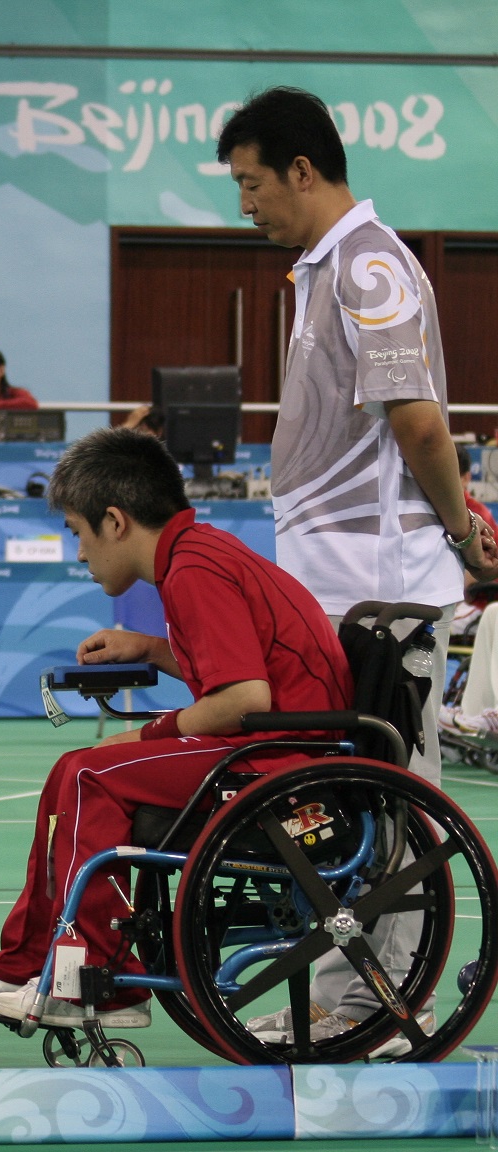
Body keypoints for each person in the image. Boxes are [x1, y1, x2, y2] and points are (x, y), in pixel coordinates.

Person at [217, 85, 498, 1045]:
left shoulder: (372, 269)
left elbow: (420, 423)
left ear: (304, 170)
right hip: (333, 582)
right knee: (346, 800)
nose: (244, 204)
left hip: (377, 589)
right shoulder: (324, 271)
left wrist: (464, 537)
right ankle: (359, 990)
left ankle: (382, 998)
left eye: (253, 183)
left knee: (391, 803)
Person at [0, 427, 352, 1031]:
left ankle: (96, 981)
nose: (78, 553)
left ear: (116, 522)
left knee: (88, 774)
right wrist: (151, 649)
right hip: (276, 746)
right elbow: (240, 670)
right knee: (76, 769)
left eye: (78, 532)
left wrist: (150, 734)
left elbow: (244, 696)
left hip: (283, 765)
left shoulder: (193, 569)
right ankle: (28, 961)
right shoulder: (199, 552)